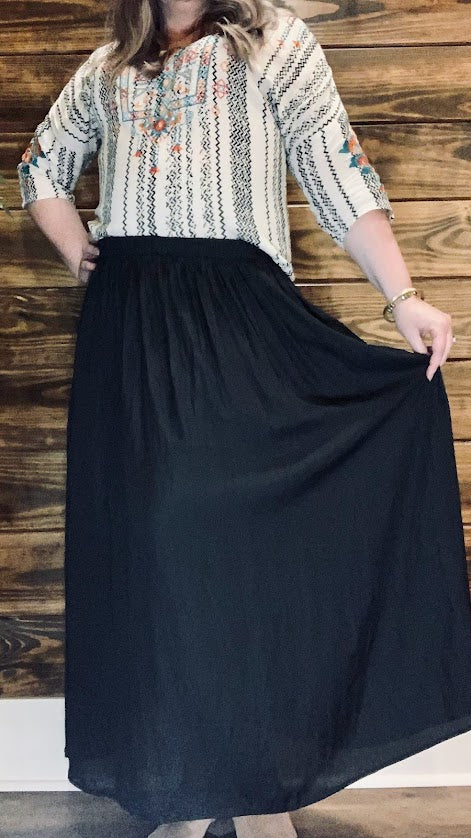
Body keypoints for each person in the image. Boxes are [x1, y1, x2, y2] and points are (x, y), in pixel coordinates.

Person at [17, 1, 471, 837]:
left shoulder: (272, 42)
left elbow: (333, 166)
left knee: (245, 552)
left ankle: (262, 795)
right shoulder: (110, 64)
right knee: (157, 554)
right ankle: (184, 792)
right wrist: (81, 251)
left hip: (237, 315)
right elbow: (42, 166)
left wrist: (402, 295)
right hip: (131, 327)